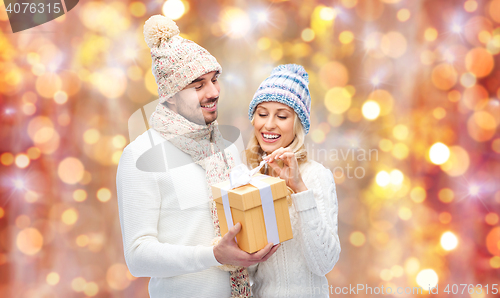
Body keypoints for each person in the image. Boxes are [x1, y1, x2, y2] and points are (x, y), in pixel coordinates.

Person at [116, 15, 278, 298]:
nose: (213, 92)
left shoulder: (226, 147)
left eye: (215, 80)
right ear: (170, 95)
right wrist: (214, 255)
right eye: (197, 85)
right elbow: (137, 256)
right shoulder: (140, 155)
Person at [245, 64, 341, 297]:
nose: (268, 125)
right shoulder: (248, 176)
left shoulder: (315, 176)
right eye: (262, 113)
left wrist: (299, 189)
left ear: (298, 124)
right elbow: (248, 272)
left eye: (282, 116)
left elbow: (324, 263)